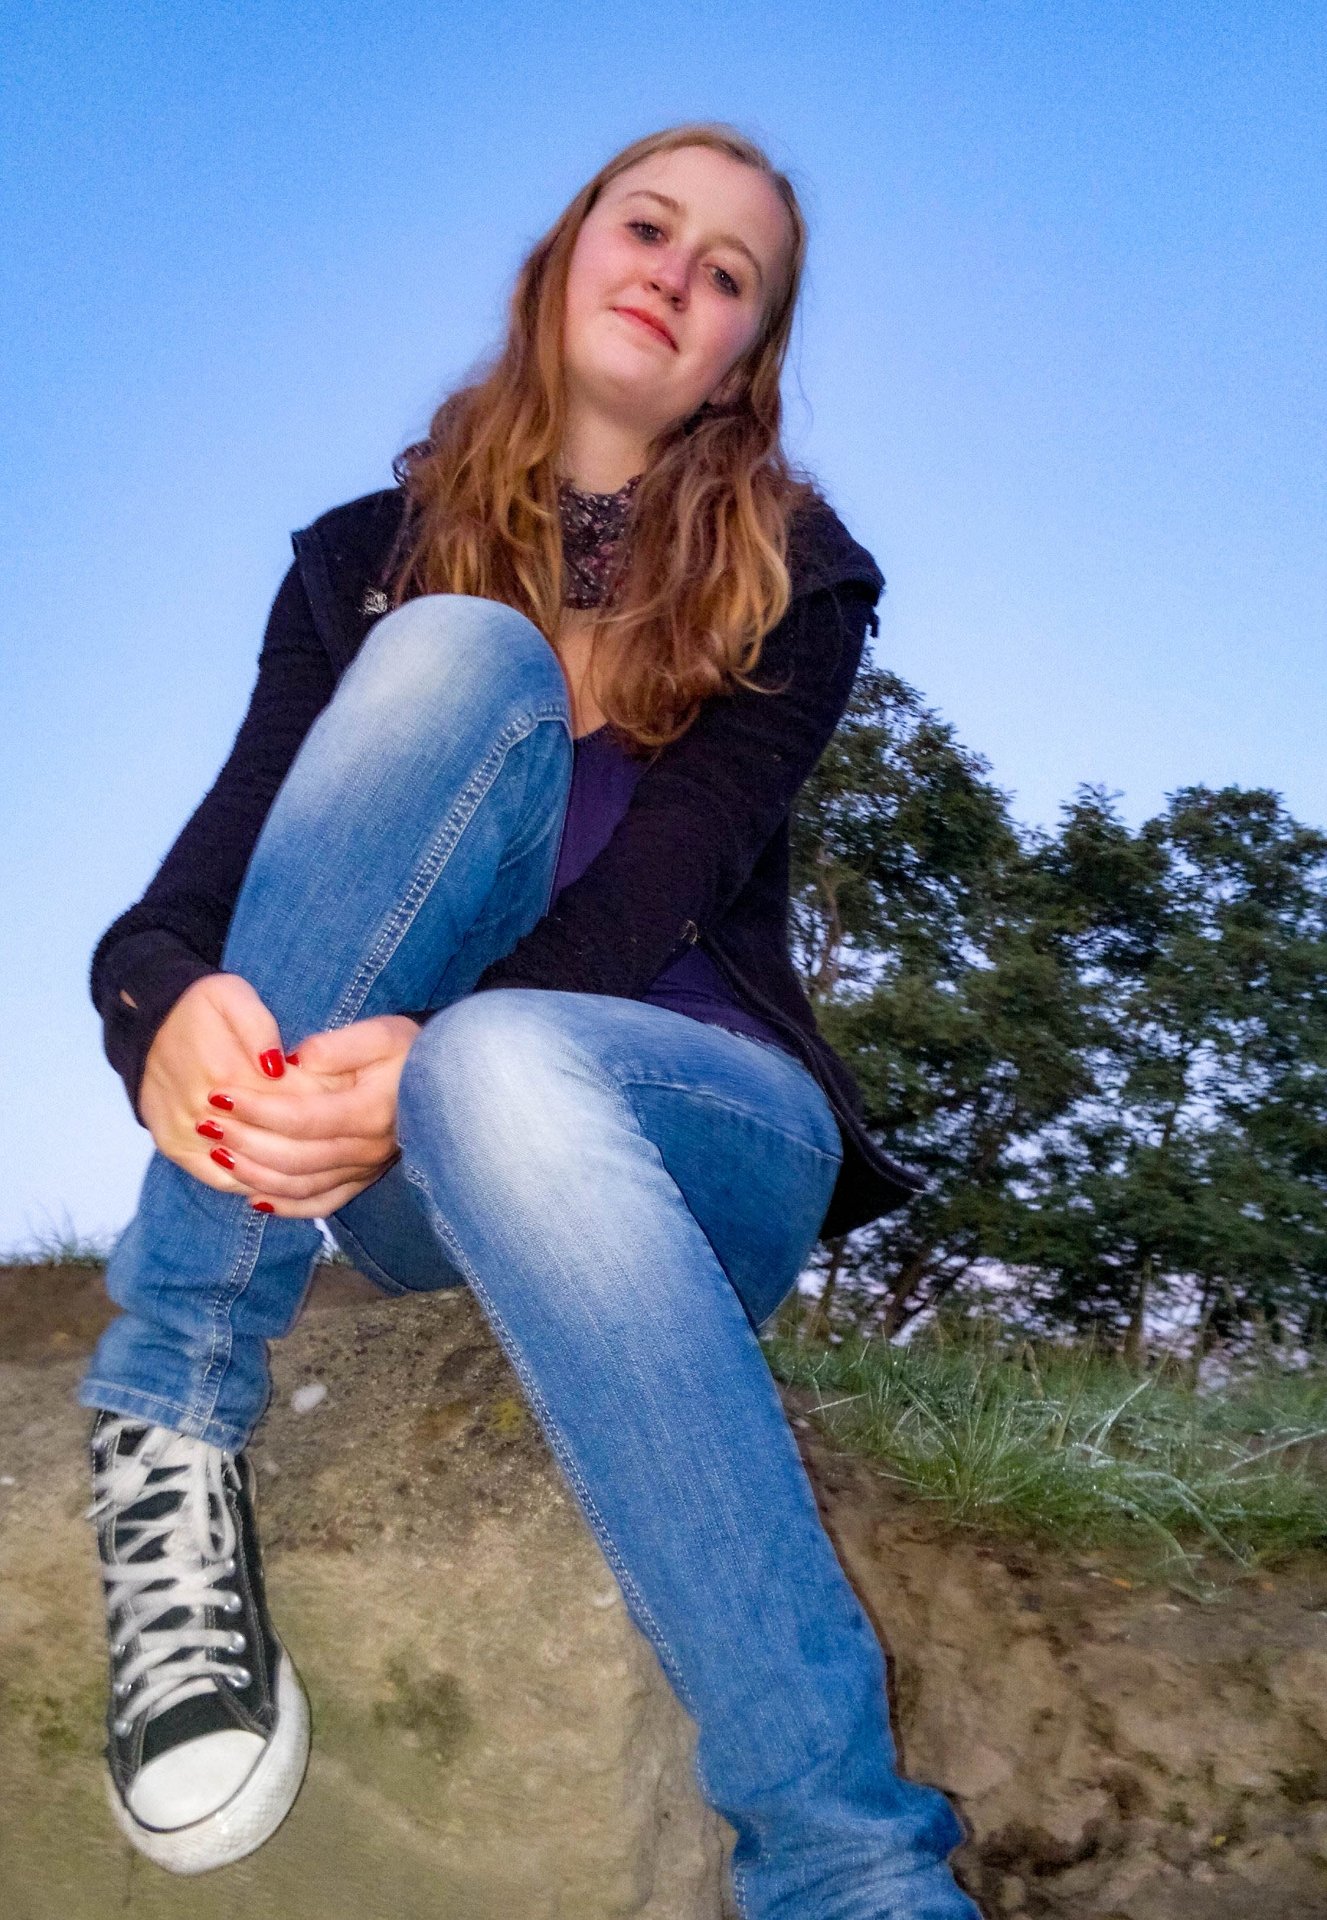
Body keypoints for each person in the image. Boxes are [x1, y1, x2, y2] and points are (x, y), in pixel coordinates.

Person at [80, 122, 981, 1918]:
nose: (675, 274)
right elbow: (188, 899)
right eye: (648, 227)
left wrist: (433, 1064)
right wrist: (157, 1008)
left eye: (729, 274)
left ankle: (849, 1870)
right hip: (408, 1182)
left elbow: (659, 895)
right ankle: (169, 1422)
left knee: (494, 1054)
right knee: (452, 651)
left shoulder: (797, 573)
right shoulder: (358, 561)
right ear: (567, 254)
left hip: (701, 1133)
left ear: (742, 359)